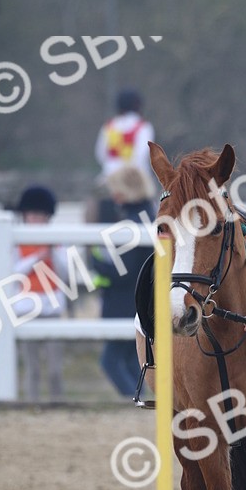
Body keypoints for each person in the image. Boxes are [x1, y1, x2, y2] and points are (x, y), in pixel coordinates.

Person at [89, 165, 155, 398]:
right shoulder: (148, 214)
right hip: (139, 301)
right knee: (131, 360)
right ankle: (140, 400)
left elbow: (122, 271)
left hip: (125, 302)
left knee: (112, 361)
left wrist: (94, 262)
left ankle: (134, 402)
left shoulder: (134, 221)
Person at [12, 185, 67, 402]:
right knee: (31, 367)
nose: (36, 219)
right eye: (32, 214)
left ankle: (57, 404)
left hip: (52, 308)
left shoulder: (57, 239)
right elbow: (11, 272)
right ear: (25, 215)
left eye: (41, 215)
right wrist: (37, 258)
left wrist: (54, 252)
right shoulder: (15, 239)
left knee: (55, 368)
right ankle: (30, 405)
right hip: (26, 309)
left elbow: (67, 273)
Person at [94, 88, 159, 194]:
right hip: (136, 182)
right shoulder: (144, 127)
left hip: (111, 181)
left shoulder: (108, 127)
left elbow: (100, 154)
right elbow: (141, 156)